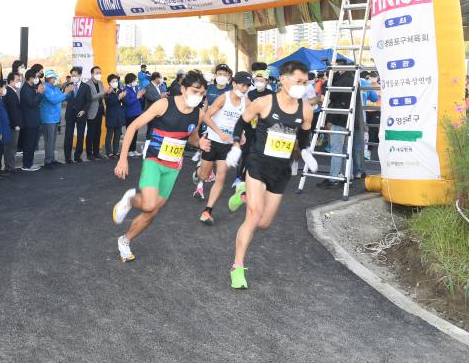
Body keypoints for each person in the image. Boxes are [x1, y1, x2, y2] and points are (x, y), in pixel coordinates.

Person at [225, 60, 316, 289]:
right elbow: (241, 123)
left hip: (281, 169)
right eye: (298, 81)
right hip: (258, 164)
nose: (302, 87)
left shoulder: (306, 109)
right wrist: (236, 145)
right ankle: (237, 267)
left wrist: (306, 151)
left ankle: (243, 194)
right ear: (283, 80)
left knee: (264, 223)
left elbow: (304, 135)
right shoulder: (264, 102)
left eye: (305, 83)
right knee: (254, 216)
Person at [111, 70, 210, 262]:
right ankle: (130, 199)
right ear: (183, 89)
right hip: (154, 160)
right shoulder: (164, 104)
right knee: (148, 204)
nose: (197, 96)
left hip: (173, 166)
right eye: (194, 91)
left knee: (152, 211)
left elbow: (192, 137)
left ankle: (124, 240)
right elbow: (132, 127)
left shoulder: (198, 114)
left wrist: (200, 143)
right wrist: (122, 159)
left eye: (201, 93)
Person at [195, 71, 251, 224]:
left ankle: (207, 211)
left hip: (227, 146)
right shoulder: (223, 98)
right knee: (204, 176)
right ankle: (198, 172)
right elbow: (206, 117)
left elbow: (246, 121)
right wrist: (220, 133)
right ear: (234, 84)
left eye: (247, 86)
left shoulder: (247, 103)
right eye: (242, 85)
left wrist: (242, 134)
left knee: (221, 177)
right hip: (212, 141)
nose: (245, 89)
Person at [40, 69, 72, 168]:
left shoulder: (54, 88)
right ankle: (48, 161)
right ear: (49, 78)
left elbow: (62, 97)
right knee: (49, 140)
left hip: (55, 117)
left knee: (53, 140)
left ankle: (52, 158)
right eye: (54, 78)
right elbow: (54, 100)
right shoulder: (45, 87)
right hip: (48, 118)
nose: (55, 80)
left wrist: (69, 91)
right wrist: (65, 93)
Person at [63, 66, 91, 164]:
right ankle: (67, 157)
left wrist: (84, 110)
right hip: (70, 113)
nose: (73, 77)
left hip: (81, 114)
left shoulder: (86, 87)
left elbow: (88, 101)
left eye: (75, 75)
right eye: (72, 75)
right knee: (68, 135)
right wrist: (67, 92)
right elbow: (64, 98)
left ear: (80, 75)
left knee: (80, 135)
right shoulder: (68, 85)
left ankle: (77, 156)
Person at [19, 69, 45, 172]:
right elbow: (31, 103)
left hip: (33, 120)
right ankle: (27, 165)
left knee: (32, 143)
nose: (37, 79)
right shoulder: (25, 89)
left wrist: (38, 93)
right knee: (29, 143)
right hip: (29, 121)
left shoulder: (31, 87)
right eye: (36, 77)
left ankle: (29, 163)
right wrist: (39, 93)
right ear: (30, 78)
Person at [2, 72, 23, 173]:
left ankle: (11, 166)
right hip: (12, 125)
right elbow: (11, 111)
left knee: (13, 147)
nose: (19, 82)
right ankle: (9, 167)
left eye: (20, 80)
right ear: (11, 81)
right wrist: (15, 125)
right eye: (17, 80)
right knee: (10, 147)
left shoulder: (13, 91)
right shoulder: (9, 92)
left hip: (14, 124)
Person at [85, 66, 106, 160]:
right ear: (92, 74)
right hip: (92, 111)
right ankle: (89, 154)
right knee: (91, 133)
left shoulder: (101, 83)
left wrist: (106, 94)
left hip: (100, 110)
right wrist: (103, 93)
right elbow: (90, 97)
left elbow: (103, 96)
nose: (99, 75)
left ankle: (96, 152)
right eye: (97, 73)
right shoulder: (87, 84)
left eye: (100, 73)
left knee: (98, 132)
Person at [122, 73, 145, 157]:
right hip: (130, 114)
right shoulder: (125, 90)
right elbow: (127, 102)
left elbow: (140, 100)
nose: (136, 82)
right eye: (135, 80)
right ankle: (128, 150)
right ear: (130, 81)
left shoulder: (136, 88)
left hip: (137, 113)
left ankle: (134, 149)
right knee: (130, 133)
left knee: (135, 133)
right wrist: (137, 97)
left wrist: (141, 96)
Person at [104, 74, 126, 158]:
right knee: (109, 135)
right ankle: (109, 152)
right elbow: (109, 103)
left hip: (119, 116)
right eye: (113, 81)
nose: (115, 82)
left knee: (117, 135)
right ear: (109, 83)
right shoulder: (108, 92)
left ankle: (116, 151)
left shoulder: (119, 90)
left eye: (116, 81)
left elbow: (124, 103)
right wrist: (118, 98)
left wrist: (123, 97)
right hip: (111, 116)